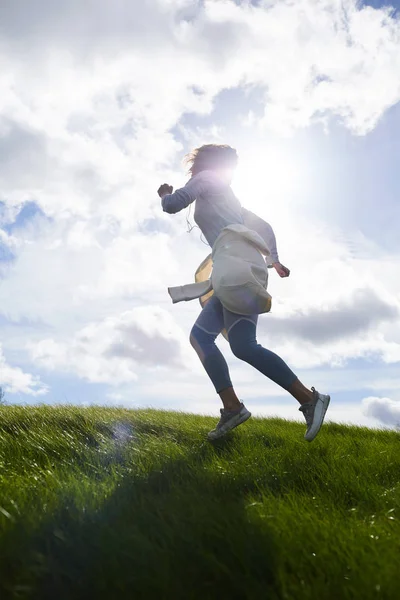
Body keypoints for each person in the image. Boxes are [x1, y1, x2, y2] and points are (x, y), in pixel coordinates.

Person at [158, 144, 330, 441]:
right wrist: (272, 259)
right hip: (240, 269)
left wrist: (164, 194)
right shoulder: (228, 195)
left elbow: (174, 204)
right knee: (229, 343)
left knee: (226, 343)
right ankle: (235, 407)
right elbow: (263, 226)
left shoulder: (207, 178)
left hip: (234, 272)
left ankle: (305, 399)